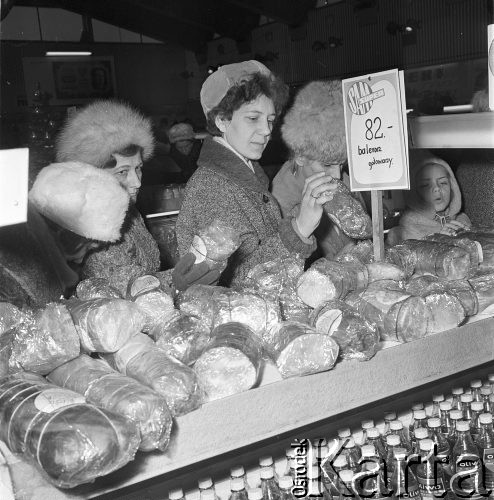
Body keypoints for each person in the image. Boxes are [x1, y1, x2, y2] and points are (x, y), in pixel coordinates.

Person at [175, 60, 337, 286]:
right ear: (221, 120)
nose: (266, 130)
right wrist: (299, 228)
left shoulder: (245, 177)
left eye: (270, 120)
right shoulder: (211, 188)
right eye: (253, 118)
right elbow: (231, 284)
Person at [55, 100, 218, 295]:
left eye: (138, 168)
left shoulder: (125, 209)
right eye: (123, 172)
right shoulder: (93, 227)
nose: (137, 182)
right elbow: (125, 289)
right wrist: (179, 278)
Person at [0, 161, 129, 308]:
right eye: (89, 245)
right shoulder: (18, 273)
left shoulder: (37, 257)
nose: (81, 260)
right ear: (66, 234)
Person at [272, 80, 366, 261]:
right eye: (328, 164)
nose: (337, 176)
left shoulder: (344, 180)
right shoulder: (279, 200)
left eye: (341, 165)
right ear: (300, 156)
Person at [386, 150, 472, 246]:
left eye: (443, 182)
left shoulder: (463, 221)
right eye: (425, 185)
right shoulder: (400, 235)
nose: (436, 188)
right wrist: (437, 241)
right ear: (414, 193)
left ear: (453, 187)